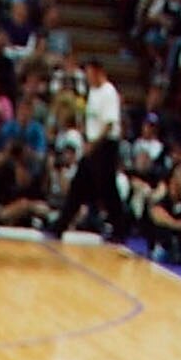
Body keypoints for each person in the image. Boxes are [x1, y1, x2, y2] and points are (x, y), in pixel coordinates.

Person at [46, 59, 127, 239]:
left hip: (104, 145)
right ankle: (61, 224)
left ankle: (120, 230)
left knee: (108, 189)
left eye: (90, 73)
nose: (88, 77)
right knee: (78, 186)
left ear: (98, 71)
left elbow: (108, 124)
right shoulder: (93, 92)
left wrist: (93, 144)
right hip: (91, 144)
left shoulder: (108, 92)